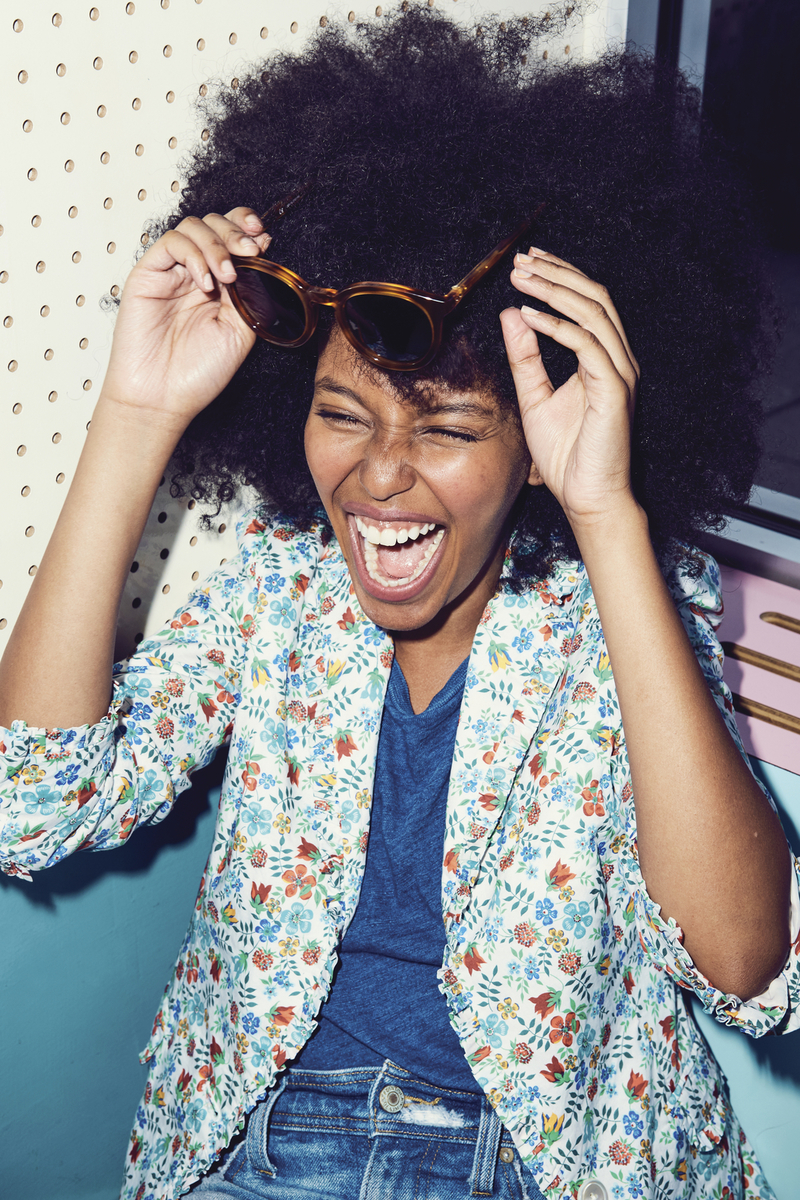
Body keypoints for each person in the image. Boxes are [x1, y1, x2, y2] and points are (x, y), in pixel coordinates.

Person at [0, 7, 798, 1200]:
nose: (378, 476)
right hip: (263, 1141)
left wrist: (610, 518)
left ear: (533, 442)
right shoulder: (280, 586)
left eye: (449, 427)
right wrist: (134, 417)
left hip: (544, 1160)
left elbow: (746, 963)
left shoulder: (624, 605)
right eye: (341, 414)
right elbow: (28, 810)